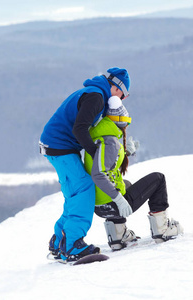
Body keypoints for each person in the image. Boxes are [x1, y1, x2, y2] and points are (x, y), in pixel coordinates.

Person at [40, 67, 131, 262]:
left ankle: (58, 242)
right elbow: (80, 129)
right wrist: (96, 152)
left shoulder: (94, 93)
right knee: (84, 189)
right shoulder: (96, 97)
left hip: (57, 146)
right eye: (123, 95)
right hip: (60, 147)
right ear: (116, 88)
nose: (121, 100)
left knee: (75, 193)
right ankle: (72, 244)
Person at [84, 96, 183, 250]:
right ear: (119, 121)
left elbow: (106, 161)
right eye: (126, 122)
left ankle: (117, 236)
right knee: (158, 178)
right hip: (112, 204)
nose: (126, 126)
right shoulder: (110, 141)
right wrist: (118, 199)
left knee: (127, 184)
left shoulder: (98, 137)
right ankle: (162, 231)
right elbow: (99, 174)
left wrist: (126, 151)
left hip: (99, 205)